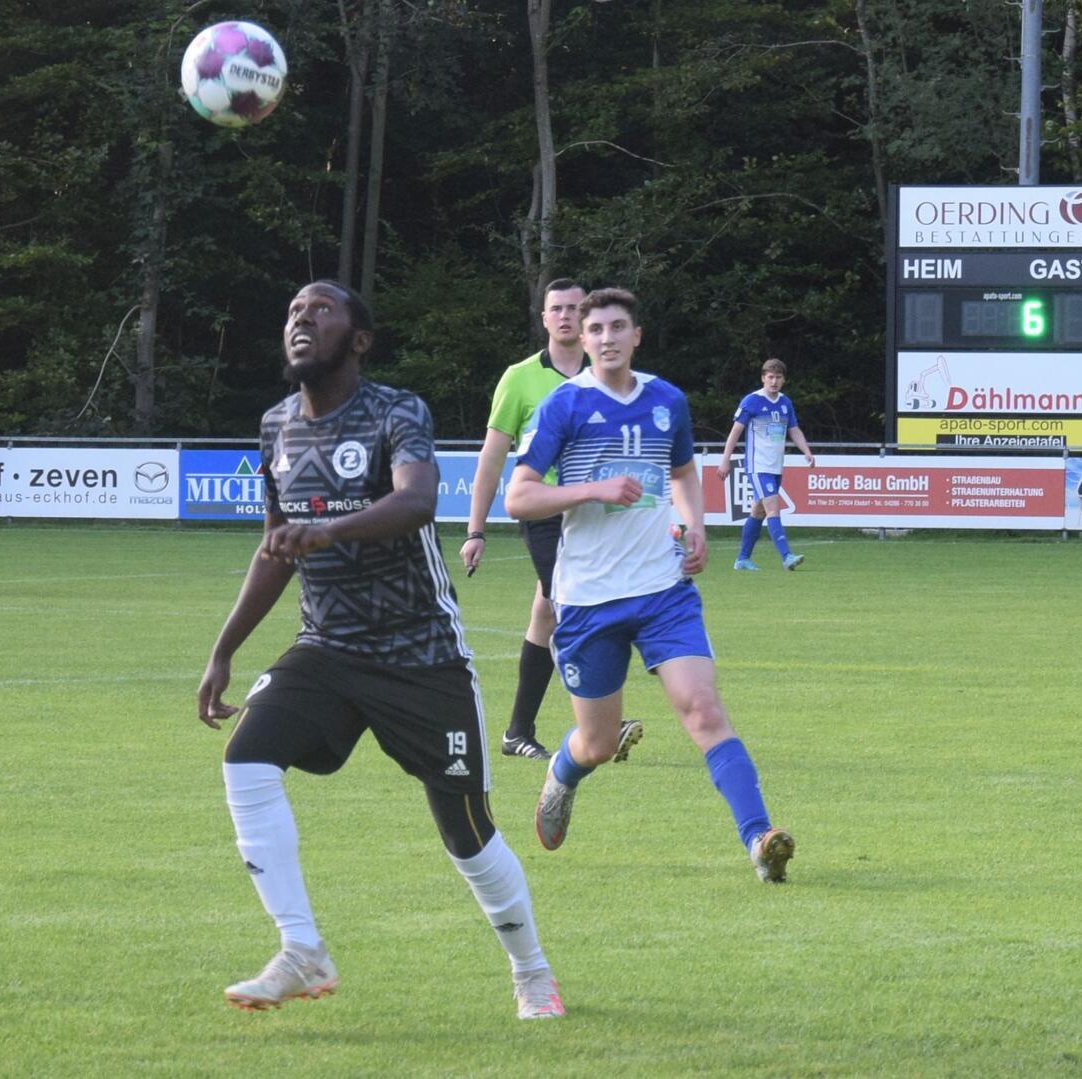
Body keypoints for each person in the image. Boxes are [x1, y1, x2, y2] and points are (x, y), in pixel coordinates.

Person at [195, 280, 565, 1020]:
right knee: (244, 757)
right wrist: (224, 648)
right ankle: (301, 948)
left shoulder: (397, 410)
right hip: (326, 646)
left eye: (320, 310)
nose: (301, 320)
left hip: (420, 653)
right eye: (293, 311)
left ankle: (532, 973)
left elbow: (416, 501)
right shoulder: (275, 426)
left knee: (466, 832)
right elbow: (275, 549)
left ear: (359, 339)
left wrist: (327, 529)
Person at [505, 287, 796, 884]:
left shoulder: (667, 401)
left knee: (705, 711)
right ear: (582, 341)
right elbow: (520, 497)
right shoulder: (564, 406)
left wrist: (694, 526)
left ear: (637, 336)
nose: (607, 338)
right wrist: (592, 488)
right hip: (587, 598)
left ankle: (760, 840)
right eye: (597, 330)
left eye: (618, 327)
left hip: (664, 591)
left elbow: (685, 473)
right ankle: (564, 770)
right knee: (599, 741)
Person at [461, 278, 639, 764]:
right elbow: (492, 458)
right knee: (574, 604)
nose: (564, 315)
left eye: (573, 309)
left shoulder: (608, 373)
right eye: (555, 308)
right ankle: (605, 720)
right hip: (544, 514)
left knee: (547, 611)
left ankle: (517, 731)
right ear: (544, 318)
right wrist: (476, 529)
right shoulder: (519, 379)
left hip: (597, 515)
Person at [717, 357, 816, 571]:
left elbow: (794, 430)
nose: (774, 381)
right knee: (773, 507)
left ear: (783, 380)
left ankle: (742, 559)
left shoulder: (785, 403)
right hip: (757, 466)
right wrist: (725, 459)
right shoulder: (751, 401)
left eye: (778, 377)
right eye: (770, 377)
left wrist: (806, 451)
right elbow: (736, 431)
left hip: (775, 466)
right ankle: (786, 556)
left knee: (758, 511)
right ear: (763, 378)